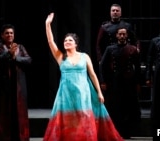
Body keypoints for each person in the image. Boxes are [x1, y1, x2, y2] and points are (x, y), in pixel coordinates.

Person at [44, 12, 123, 141]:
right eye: (65, 40)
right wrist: (47, 24)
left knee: (84, 116)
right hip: (66, 94)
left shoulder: (84, 56)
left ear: (76, 44)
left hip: (83, 93)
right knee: (67, 119)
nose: (67, 42)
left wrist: (99, 92)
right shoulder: (60, 57)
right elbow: (50, 41)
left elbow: (92, 75)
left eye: (70, 40)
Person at [0, 24, 32, 141]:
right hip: (3, 84)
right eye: (7, 33)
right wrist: (9, 54)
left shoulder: (20, 47)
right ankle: (3, 137)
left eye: (11, 33)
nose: (9, 35)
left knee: (19, 111)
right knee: (3, 111)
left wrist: (15, 58)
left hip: (18, 84)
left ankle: (20, 136)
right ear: (2, 35)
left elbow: (28, 60)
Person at [99, 26, 142, 139]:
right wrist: (103, 81)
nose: (122, 36)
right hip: (114, 81)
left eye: (124, 34)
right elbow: (102, 66)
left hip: (129, 82)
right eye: (120, 34)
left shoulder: (132, 49)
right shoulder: (110, 49)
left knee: (128, 106)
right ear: (117, 35)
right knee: (115, 107)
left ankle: (126, 132)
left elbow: (137, 67)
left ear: (127, 35)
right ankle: (115, 132)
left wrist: (138, 83)